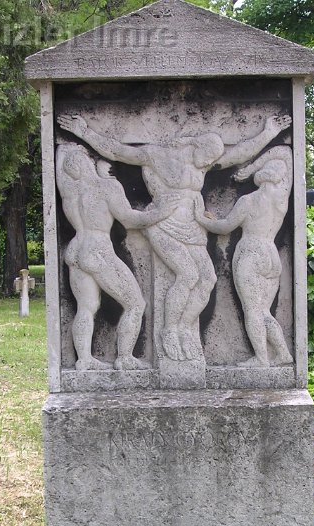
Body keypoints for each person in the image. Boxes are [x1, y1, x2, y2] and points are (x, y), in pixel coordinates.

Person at [57, 112, 292, 362]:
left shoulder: (203, 161)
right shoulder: (156, 155)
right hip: (163, 223)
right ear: (196, 147)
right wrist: (84, 132)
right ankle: (169, 330)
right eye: (206, 158)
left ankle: (184, 327)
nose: (207, 165)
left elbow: (238, 155)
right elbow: (117, 151)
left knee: (207, 279)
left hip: (193, 226)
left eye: (210, 161)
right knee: (188, 275)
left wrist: (268, 133)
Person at [56, 143, 179, 371]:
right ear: (88, 163)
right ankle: (124, 357)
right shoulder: (106, 186)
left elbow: (60, 161)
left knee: (86, 307)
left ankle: (84, 359)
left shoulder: (69, 189)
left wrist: (67, 148)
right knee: (135, 304)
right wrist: (161, 213)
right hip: (98, 250)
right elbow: (130, 220)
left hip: (75, 250)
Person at [194, 145, 294, 368]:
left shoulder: (248, 201)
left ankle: (261, 358)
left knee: (252, 310)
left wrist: (202, 220)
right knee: (263, 311)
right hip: (271, 255)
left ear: (260, 178)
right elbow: (285, 153)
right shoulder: (281, 200)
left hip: (251, 252)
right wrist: (255, 166)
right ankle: (283, 354)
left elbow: (225, 227)